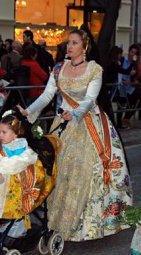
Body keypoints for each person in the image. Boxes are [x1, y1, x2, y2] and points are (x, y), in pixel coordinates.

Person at [19, 29, 132, 241]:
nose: (69, 46)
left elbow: (90, 99)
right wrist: (29, 111)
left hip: (88, 125)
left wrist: (76, 113)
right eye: (68, 43)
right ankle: (57, 220)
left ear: (84, 46)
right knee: (59, 170)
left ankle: (84, 224)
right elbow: (47, 95)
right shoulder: (59, 68)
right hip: (63, 125)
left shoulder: (94, 69)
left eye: (74, 43)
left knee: (84, 170)